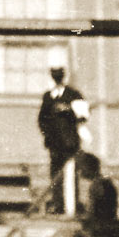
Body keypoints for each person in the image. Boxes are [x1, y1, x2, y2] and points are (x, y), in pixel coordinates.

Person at [39, 67, 85, 215]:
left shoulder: (73, 94)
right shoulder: (48, 96)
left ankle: (73, 203)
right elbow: (42, 120)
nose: (57, 77)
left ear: (63, 76)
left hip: (70, 142)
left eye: (59, 74)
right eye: (54, 74)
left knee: (72, 173)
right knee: (55, 174)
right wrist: (48, 135)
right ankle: (57, 203)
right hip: (55, 143)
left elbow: (83, 115)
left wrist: (68, 109)